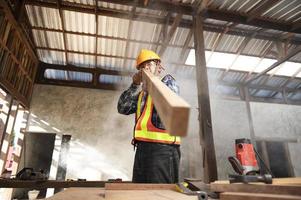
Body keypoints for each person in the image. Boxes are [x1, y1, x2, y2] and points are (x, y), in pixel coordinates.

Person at [117, 49, 181, 183]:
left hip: (163, 150)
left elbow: (168, 102)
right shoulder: (141, 95)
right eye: (142, 66)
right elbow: (123, 108)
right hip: (142, 150)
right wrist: (134, 85)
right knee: (140, 190)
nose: (145, 68)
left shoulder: (169, 82)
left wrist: (150, 80)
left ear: (158, 67)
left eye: (149, 64)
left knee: (159, 193)